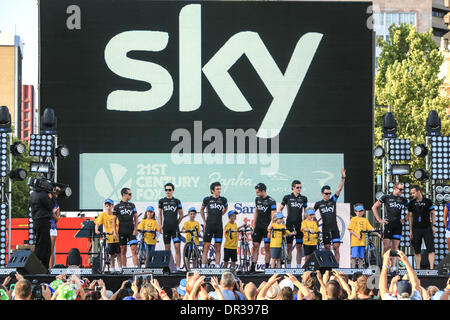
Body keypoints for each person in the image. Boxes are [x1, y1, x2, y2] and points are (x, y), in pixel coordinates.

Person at [372, 182, 409, 270]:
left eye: (402, 190)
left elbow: (411, 210)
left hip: (398, 225)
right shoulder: (386, 197)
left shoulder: (403, 199)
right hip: (388, 224)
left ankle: (393, 267)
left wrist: (405, 219)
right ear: (394, 188)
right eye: (400, 189)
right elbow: (374, 207)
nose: (401, 191)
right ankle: (385, 265)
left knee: (395, 247)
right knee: (386, 246)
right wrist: (379, 219)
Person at [313, 168, 346, 264]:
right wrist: (314, 220)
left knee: (336, 247)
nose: (328, 195)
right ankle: (329, 265)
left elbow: (339, 189)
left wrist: (343, 177)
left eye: (329, 193)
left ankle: (337, 266)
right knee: (327, 248)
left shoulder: (333, 200)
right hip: (325, 228)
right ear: (322, 193)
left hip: (334, 227)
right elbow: (310, 213)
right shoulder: (318, 204)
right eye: (326, 194)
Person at [279, 180, 308, 268]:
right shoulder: (287, 197)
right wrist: (281, 221)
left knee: (299, 247)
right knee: (289, 247)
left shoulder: (303, 198)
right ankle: (289, 267)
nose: (299, 189)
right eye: (297, 187)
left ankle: (299, 267)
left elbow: (306, 212)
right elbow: (280, 209)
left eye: (300, 187)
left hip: (299, 225)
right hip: (289, 225)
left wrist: (305, 222)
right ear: (293, 188)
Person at [29, 180, 57, 269]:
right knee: (42, 246)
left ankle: (44, 268)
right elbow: (50, 206)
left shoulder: (33, 194)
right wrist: (54, 196)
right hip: (43, 221)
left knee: (46, 246)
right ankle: (35, 267)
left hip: (36, 221)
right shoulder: (43, 195)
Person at [407, 185, 436, 269]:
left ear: (418, 191)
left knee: (431, 248)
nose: (412, 195)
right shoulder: (411, 203)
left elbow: (433, 214)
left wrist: (434, 226)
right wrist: (411, 230)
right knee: (417, 250)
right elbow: (410, 216)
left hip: (427, 228)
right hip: (416, 228)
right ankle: (418, 269)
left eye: (413, 193)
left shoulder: (428, 201)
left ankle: (431, 269)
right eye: (411, 193)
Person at [201, 181, 228, 267]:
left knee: (218, 247)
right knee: (206, 246)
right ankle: (203, 266)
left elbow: (226, 208)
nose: (219, 190)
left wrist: (221, 214)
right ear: (212, 190)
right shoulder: (207, 199)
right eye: (217, 189)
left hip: (218, 226)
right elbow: (202, 210)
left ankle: (217, 266)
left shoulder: (223, 199)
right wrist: (204, 222)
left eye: (220, 189)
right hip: (209, 226)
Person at [251, 183, 277, 272]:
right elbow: (256, 212)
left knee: (267, 247)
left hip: (267, 227)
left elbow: (274, 216)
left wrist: (270, 227)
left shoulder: (271, 201)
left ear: (263, 191)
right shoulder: (257, 199)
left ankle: (266, 267)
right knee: (255, 246)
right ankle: (252, 268)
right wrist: (254, 225)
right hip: (258, 226)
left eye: (258, 192)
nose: (257, 194)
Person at [158, 183, 184, 271]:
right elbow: (159, 214)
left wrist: (177, 223)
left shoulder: (177, 201)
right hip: (166, 228)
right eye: (166, 190)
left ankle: (177, 267)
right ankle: (169, 267)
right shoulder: (161, 201)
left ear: (173, 190)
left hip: (175, 228)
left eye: (169, 190)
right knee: (167, 249)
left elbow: (181, 214)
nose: (167, 191)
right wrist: (160, 225)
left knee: (177, 247)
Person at [347, 203, 381, 269]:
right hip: (355, 242)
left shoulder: (365, 220)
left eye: (361, 211)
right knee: (354, 256)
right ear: (355, 212)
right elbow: (350, 229)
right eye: (358, 211)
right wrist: (357, 236)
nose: (359, 213)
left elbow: (371, 229)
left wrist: (378, 234)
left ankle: (361, 269)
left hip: (362, 242)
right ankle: (353, 269)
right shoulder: (353, 219)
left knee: (361, 257)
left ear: (363, 211)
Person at [112, 187, 139, 269]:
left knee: (134, 249)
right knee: (123, 250)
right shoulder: (117, 206)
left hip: (131, 230)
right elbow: (114, 219)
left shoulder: (132, 205)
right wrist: (114, 232)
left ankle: (136, 267)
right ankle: (124, 268)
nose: (131, 196)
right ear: (124, 194)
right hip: (122, 230)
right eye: (129, 194)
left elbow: (136, 217)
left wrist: (135, 229)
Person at [95, 199, 121, 272]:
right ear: (105, 206)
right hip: (109, 238)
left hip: (116, 237)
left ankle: (120, 268)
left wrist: (114, 231)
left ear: (112, 206)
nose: (108, 207)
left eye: (109, 206)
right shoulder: (103, 215)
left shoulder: (115, 215)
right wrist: (96, 230)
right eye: (106, 206)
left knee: (119, 253)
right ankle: (112, 269)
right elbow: (97, 223)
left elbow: (118, 224)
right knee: (111, 254)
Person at [49, 186, 61, 269]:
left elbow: (57, 219)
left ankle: (50, 268)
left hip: (52, 228)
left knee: (51, 249)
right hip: (44, 227)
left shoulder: (56, 206)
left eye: (56, 194)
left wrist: (52, 214)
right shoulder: (44, 202)